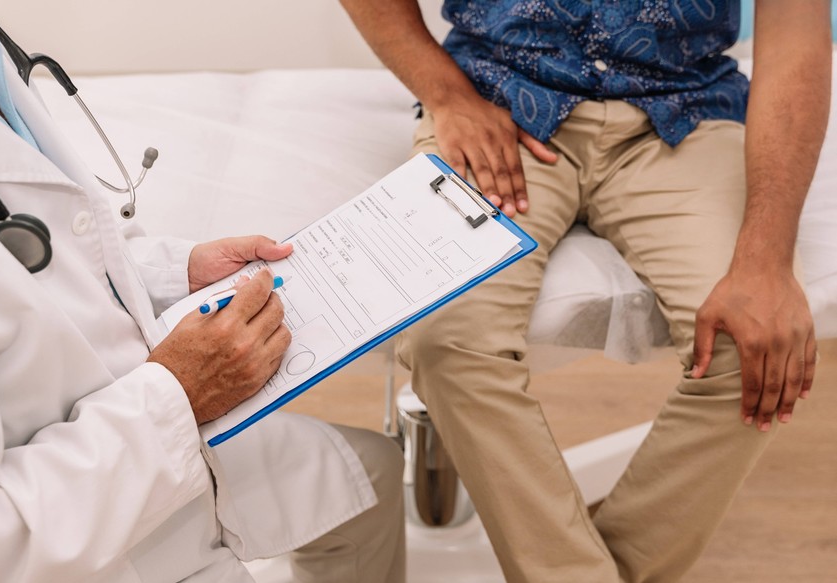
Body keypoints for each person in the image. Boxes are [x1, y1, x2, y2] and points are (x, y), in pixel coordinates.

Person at [340, 1, 831, 581]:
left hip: (686, 111)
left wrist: (766, 263)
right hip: (498, 104)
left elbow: (797, 38)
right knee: (444, 334)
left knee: (753, 346)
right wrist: (447, 96)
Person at [0, 5, 405, 583]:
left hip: (137, 426)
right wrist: (179, 393)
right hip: (84, 517)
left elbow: (54, 251)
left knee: (369, 477)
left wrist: (181, 271)